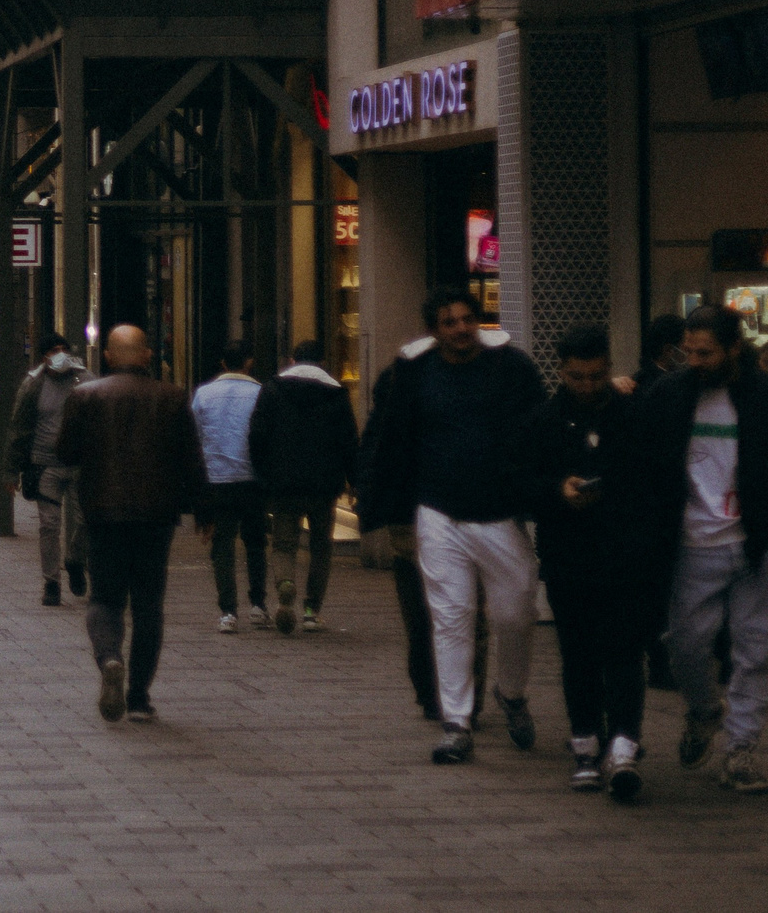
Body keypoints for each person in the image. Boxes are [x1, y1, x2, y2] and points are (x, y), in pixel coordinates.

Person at [633, 303, 768, 793]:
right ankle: (702, 710)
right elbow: (641, 457)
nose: (695, 360)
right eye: (688, 351)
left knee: (756, 648)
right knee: (686, 644)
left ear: (734, 348)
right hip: (693, 539)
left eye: (706, 352)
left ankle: (740, 750)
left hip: (758, 540)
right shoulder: (670, 395)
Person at [355, 288, 547, 764]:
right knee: (451, 618)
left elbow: (542, 427)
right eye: (449, 321)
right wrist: (381, 498)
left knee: (516, 612)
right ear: (434, 330)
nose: (461, 328)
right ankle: (456, 722)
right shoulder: (413, 374)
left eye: (467, 319)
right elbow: (387, 433)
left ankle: (512, 693)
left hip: (499, 514)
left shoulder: (513, 369)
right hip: (438, 513)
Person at [523, 325, 652, 799]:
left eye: (596, 377)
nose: (587, 386)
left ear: (608, 367)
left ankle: (623, 743)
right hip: (568, 556)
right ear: (562, 372)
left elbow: (653, 483)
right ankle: (585, 743)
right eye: (577, 377)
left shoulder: (633, 416)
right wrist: (557, 492)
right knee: (577, 653)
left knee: (623, 653)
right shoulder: (544, 420)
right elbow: (521, 481)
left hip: (624, 555)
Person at [57, 324, 205, 723]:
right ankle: (139, 696)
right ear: (146, 355)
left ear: (106, 356)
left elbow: (66, 452)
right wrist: (203, 509)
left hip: (102, 514)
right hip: (155, 517)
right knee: (148, 605)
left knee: (104, 598)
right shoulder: (172, 398)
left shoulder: (84, 396)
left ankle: (109, 658)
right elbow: (191, 458)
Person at [250, 338, 359, 634]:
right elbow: (349, 442)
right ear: (322, 362)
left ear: (292, 360)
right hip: (324, 486)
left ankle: (285, 585)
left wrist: (263, 473)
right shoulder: (336, 393)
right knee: (321, 546)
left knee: (283, 544)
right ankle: (312, 610)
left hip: (284, 483)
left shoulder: (273, 388)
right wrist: (356, 482)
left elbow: (257, 434)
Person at [2, 336, 91, 605]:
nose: (61, 354)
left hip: (79, 464)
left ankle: (75, 559)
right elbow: (19, 428)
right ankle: (51, 582)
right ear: (44, 356)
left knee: (88, 519)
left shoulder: (85, 380)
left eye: (65, 349)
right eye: (54, 350)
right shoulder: (34, 385)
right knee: (49, 525)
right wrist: (11, 470)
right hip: (45, 465)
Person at [189, 341, 267, 633]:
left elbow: (194, 436)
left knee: (222, 545)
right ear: (249, 362)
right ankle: (258, 605)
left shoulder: (204, 394)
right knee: (256, 542)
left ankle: (228, 611)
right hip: (252, 478)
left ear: (223, 363)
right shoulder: (260, 392)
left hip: (217, 478)